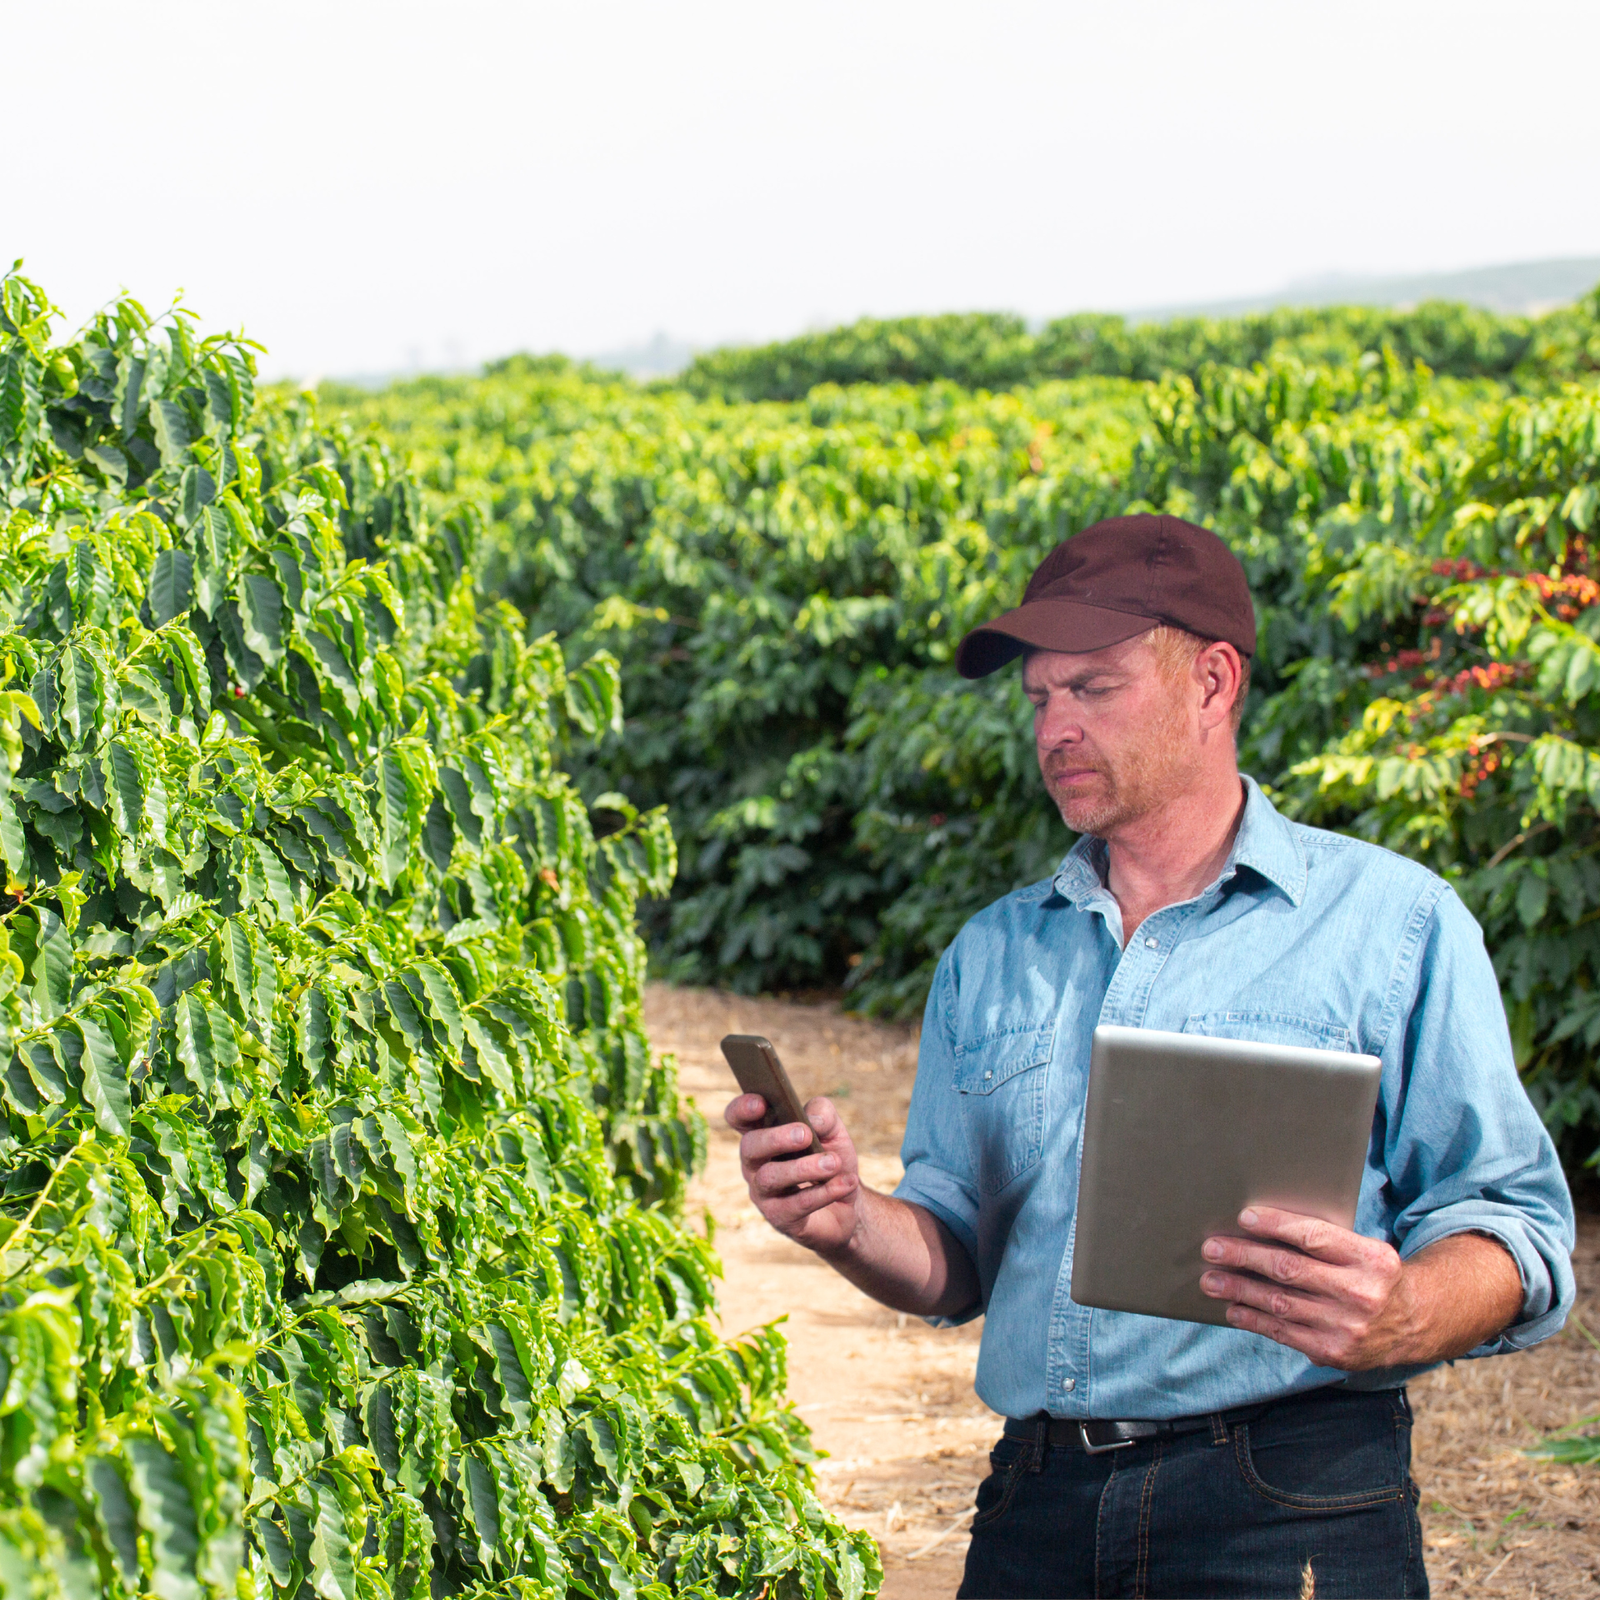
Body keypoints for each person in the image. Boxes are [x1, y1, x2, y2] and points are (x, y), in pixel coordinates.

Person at [725, 514, 1576, 1600]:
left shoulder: (1391, 922)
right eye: (1039, 699)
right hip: (1036, 1505)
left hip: (1291, 1500)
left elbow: (1514, 1222)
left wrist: (1408, 1307)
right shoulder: (991, 952)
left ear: (1213, 681)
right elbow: (956, 1258)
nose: (1054, 728)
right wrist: (847, 1218)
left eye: (1093, 688)